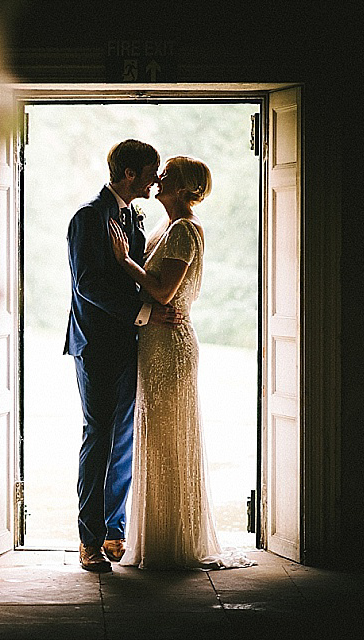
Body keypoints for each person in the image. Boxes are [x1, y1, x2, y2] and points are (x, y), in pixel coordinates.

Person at [108, 155, 254, 570]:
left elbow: (164, 292)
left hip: (171, 345)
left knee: (170, 438)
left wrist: (124, 262)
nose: (157, 178)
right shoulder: (162, 228)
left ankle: (176, 543)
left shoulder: (185, 231)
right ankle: (157, 537)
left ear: (185, 187)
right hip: (153, 338)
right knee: (154, 438)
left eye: (166, 174)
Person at [64, 140, 185, 572]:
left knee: (122, 440)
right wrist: (146, 315)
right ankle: (89, 540)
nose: (156, 179)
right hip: (96, 345)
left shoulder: (134, 217)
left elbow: (141, 276)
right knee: (99, 437)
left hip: (131, 343)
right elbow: (89, 286)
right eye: (152, 171)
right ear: (130, 173)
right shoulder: (89, 217)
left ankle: (115, 529)